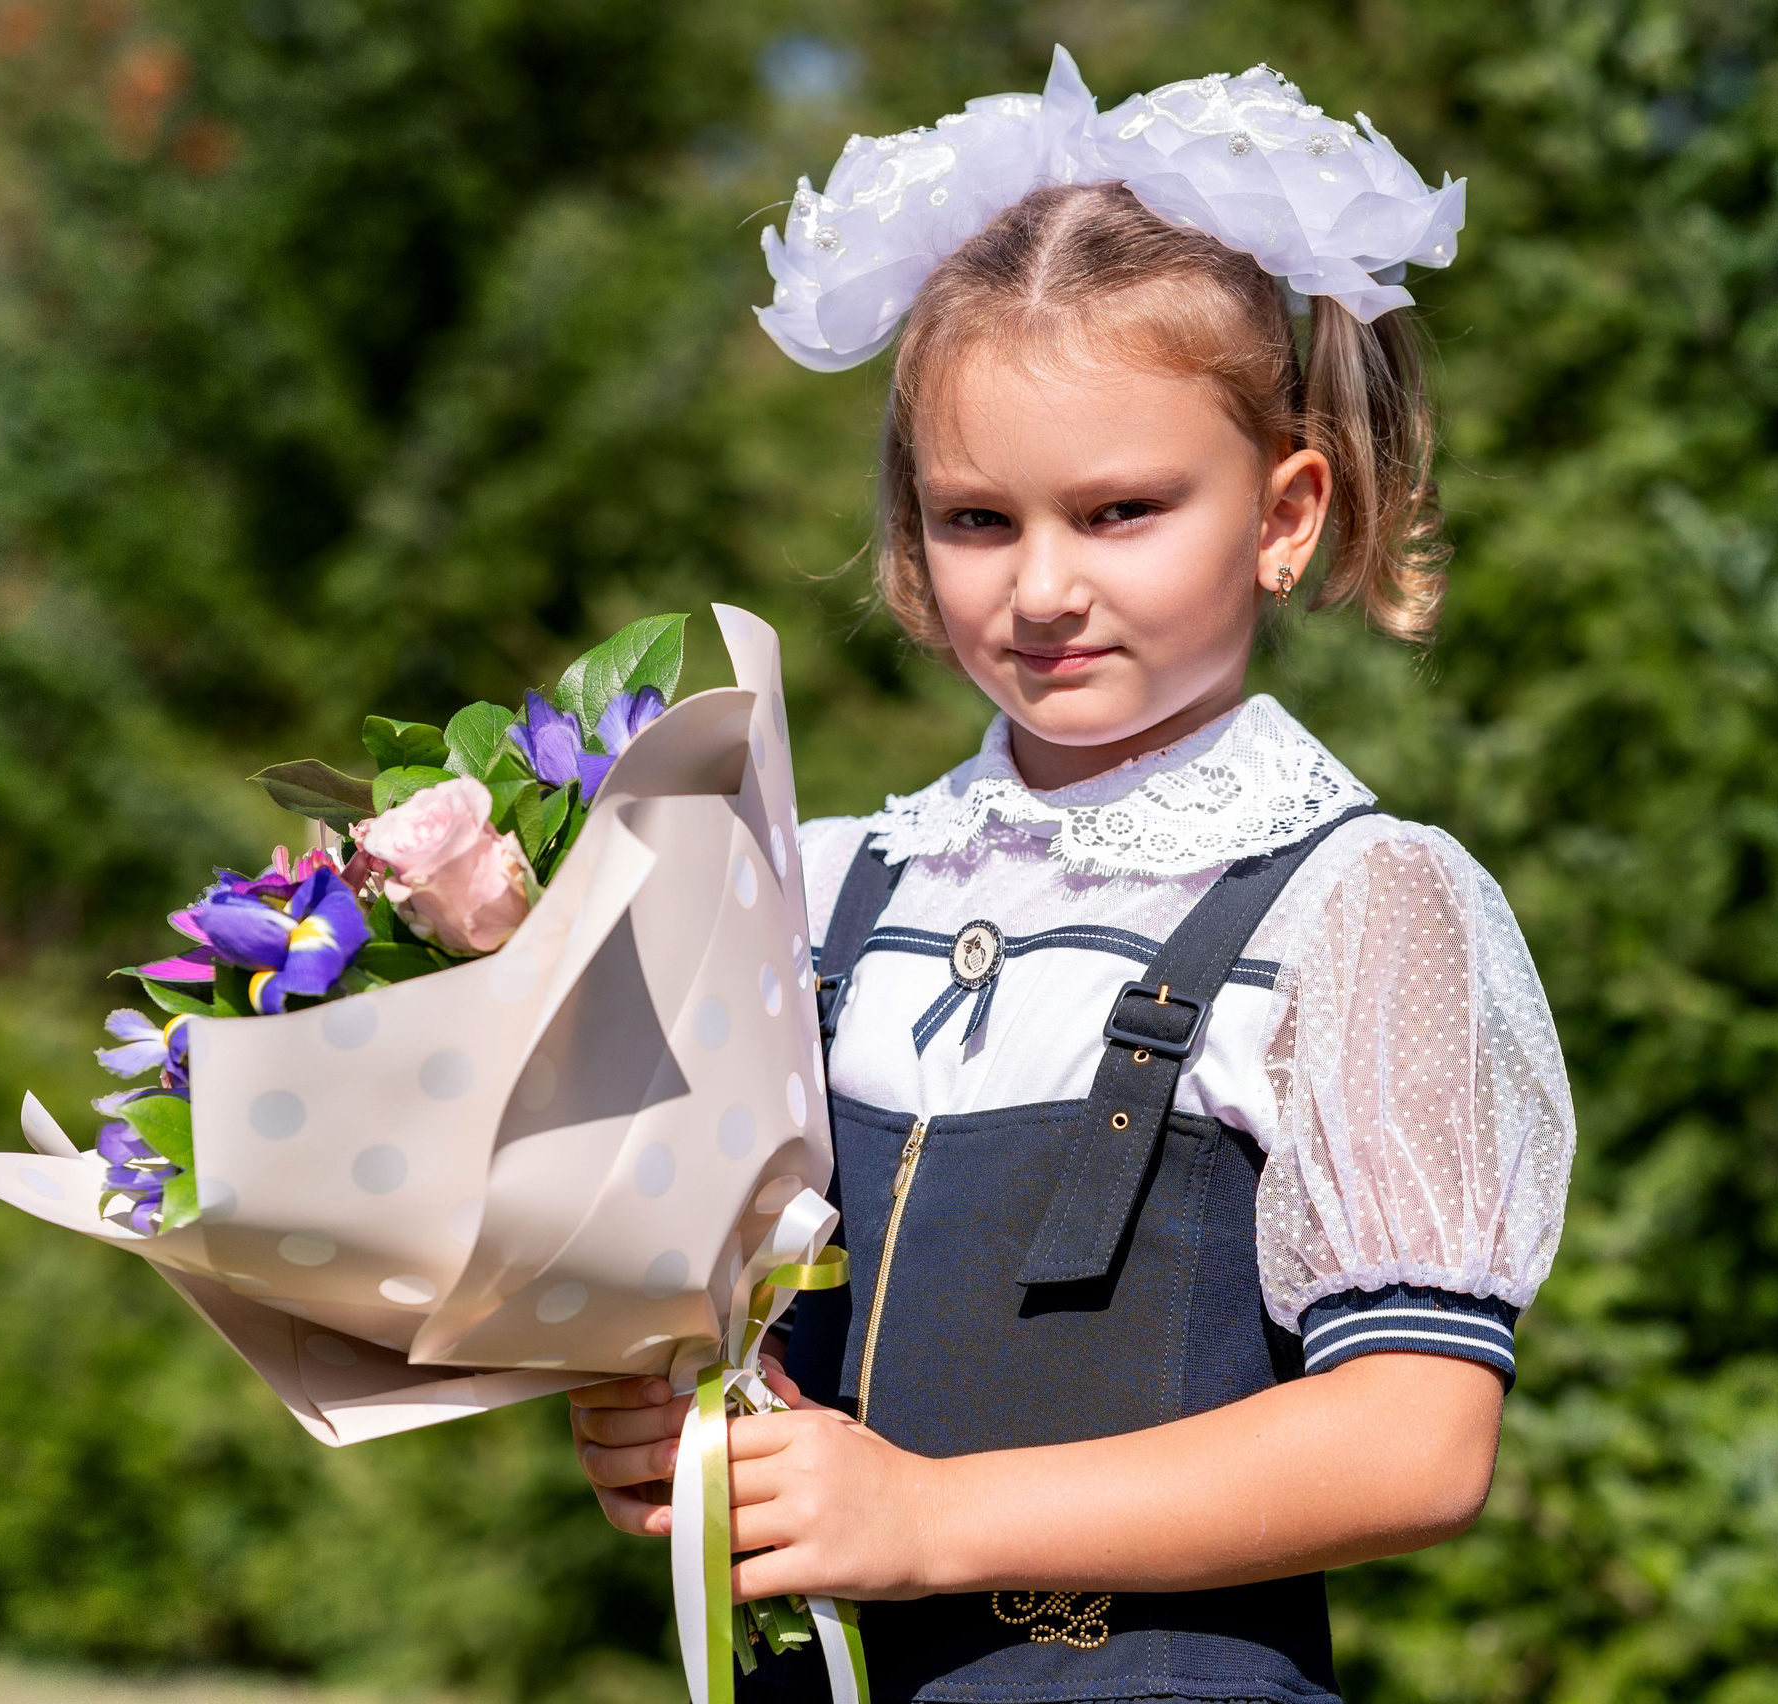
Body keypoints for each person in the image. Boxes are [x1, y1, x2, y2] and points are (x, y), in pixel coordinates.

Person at [568, 49, 1574, 1704]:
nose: (1043, 587)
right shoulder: (821, 890)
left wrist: (925, 1520)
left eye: (1120, 511)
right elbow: (757, 1354)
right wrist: (691, 1445)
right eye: (977, 519)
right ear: (908, 530)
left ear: (1285, 511)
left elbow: (1417, 1441)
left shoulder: (1356, 906)